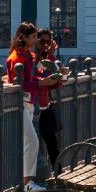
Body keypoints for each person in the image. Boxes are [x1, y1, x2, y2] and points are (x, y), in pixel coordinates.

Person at [3, 22, 49, 192]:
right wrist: (41, 82)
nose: (36, 40)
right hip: (19, 103)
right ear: (24, 37)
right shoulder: (18, 58)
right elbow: (20, 83)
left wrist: (42, 78)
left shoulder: (26, 56)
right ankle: (26, 182)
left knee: (27, 142)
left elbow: (26, 79)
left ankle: (24, 181)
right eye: (33, 37)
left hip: (27, 103)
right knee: (32, 140)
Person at [33, 28, 66, 175]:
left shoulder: (47, 58)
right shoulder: (34, 58)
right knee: (35, 142)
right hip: (35, 105)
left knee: (52, 140)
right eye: (42, 41)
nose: (45, 44)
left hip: (46, 104)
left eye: (48, 41)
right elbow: (40, 74)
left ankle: (58, 172)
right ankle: (33, 176)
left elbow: (53, 83)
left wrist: (62, 77)